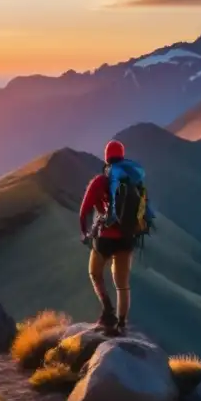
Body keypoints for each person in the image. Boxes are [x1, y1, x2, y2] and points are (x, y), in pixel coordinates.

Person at [78, 139, 153, 336]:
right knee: (122, 285)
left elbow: (83, 211)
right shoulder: (134, 182)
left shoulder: (100, 181)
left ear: (106, 158)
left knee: (95, 273)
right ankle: (121, 325)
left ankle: (108, 312)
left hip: (105, 238)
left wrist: (84, 232)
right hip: (127, 238)